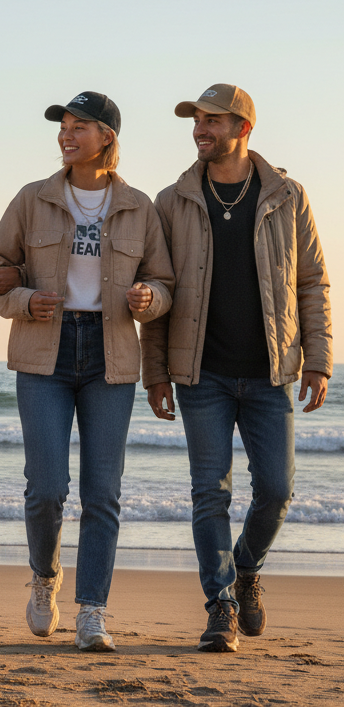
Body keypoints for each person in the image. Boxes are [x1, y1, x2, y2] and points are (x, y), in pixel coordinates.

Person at [0, 92, 174, 651]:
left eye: (79, 126)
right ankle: (45, 578)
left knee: (102, 492)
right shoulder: (32, 199)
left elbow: (164, 281)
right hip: (46, 351)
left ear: (107, 136)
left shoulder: (139, 206)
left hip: (111, 355)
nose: (66, 135)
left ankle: (92, 611)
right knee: (45, 489)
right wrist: (23, 301)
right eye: (63, 126)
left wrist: (148, 298)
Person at [142, 84, 332, 653]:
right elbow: (158, 288)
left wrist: (318, 361)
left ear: (243, 128)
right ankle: (220, 603)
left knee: (277, 489)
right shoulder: (171, 200)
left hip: (272, 371)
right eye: (196, 120)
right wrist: (156, 372)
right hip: (202, 375)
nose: (200, 129)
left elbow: (312, 283)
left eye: (212, 120)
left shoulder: (287, 196)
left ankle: (246, 568)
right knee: (210, 493)